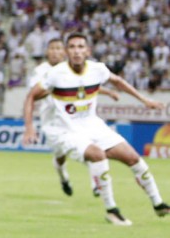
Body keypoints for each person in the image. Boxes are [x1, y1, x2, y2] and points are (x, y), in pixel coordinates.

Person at [23, 32, 170, 226]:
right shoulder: (55, 74)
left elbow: (117, 81)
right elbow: (31, 96)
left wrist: (145, 100)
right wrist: (29, 127)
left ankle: (158, 203)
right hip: (65, 130)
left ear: (88, 51)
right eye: (73, 47)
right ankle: (111, 210)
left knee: (134, 159)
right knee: (97, 155)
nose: (77, 51)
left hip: (93, 125)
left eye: (81, 47)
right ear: (67, 52)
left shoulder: (97, 69)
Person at [29, 38, 119, 197]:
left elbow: (83, 85)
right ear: (47, 52)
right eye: (52, 48)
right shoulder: (41, 71)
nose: (56, 52)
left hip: (73, 118)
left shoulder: (69, 69)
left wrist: (108, 91)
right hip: (53, 121)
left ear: (63, 51)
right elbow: (35, 93)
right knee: (60, 157)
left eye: (58, 48)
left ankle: (96, 183)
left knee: (90, 149)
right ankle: (63, 177)